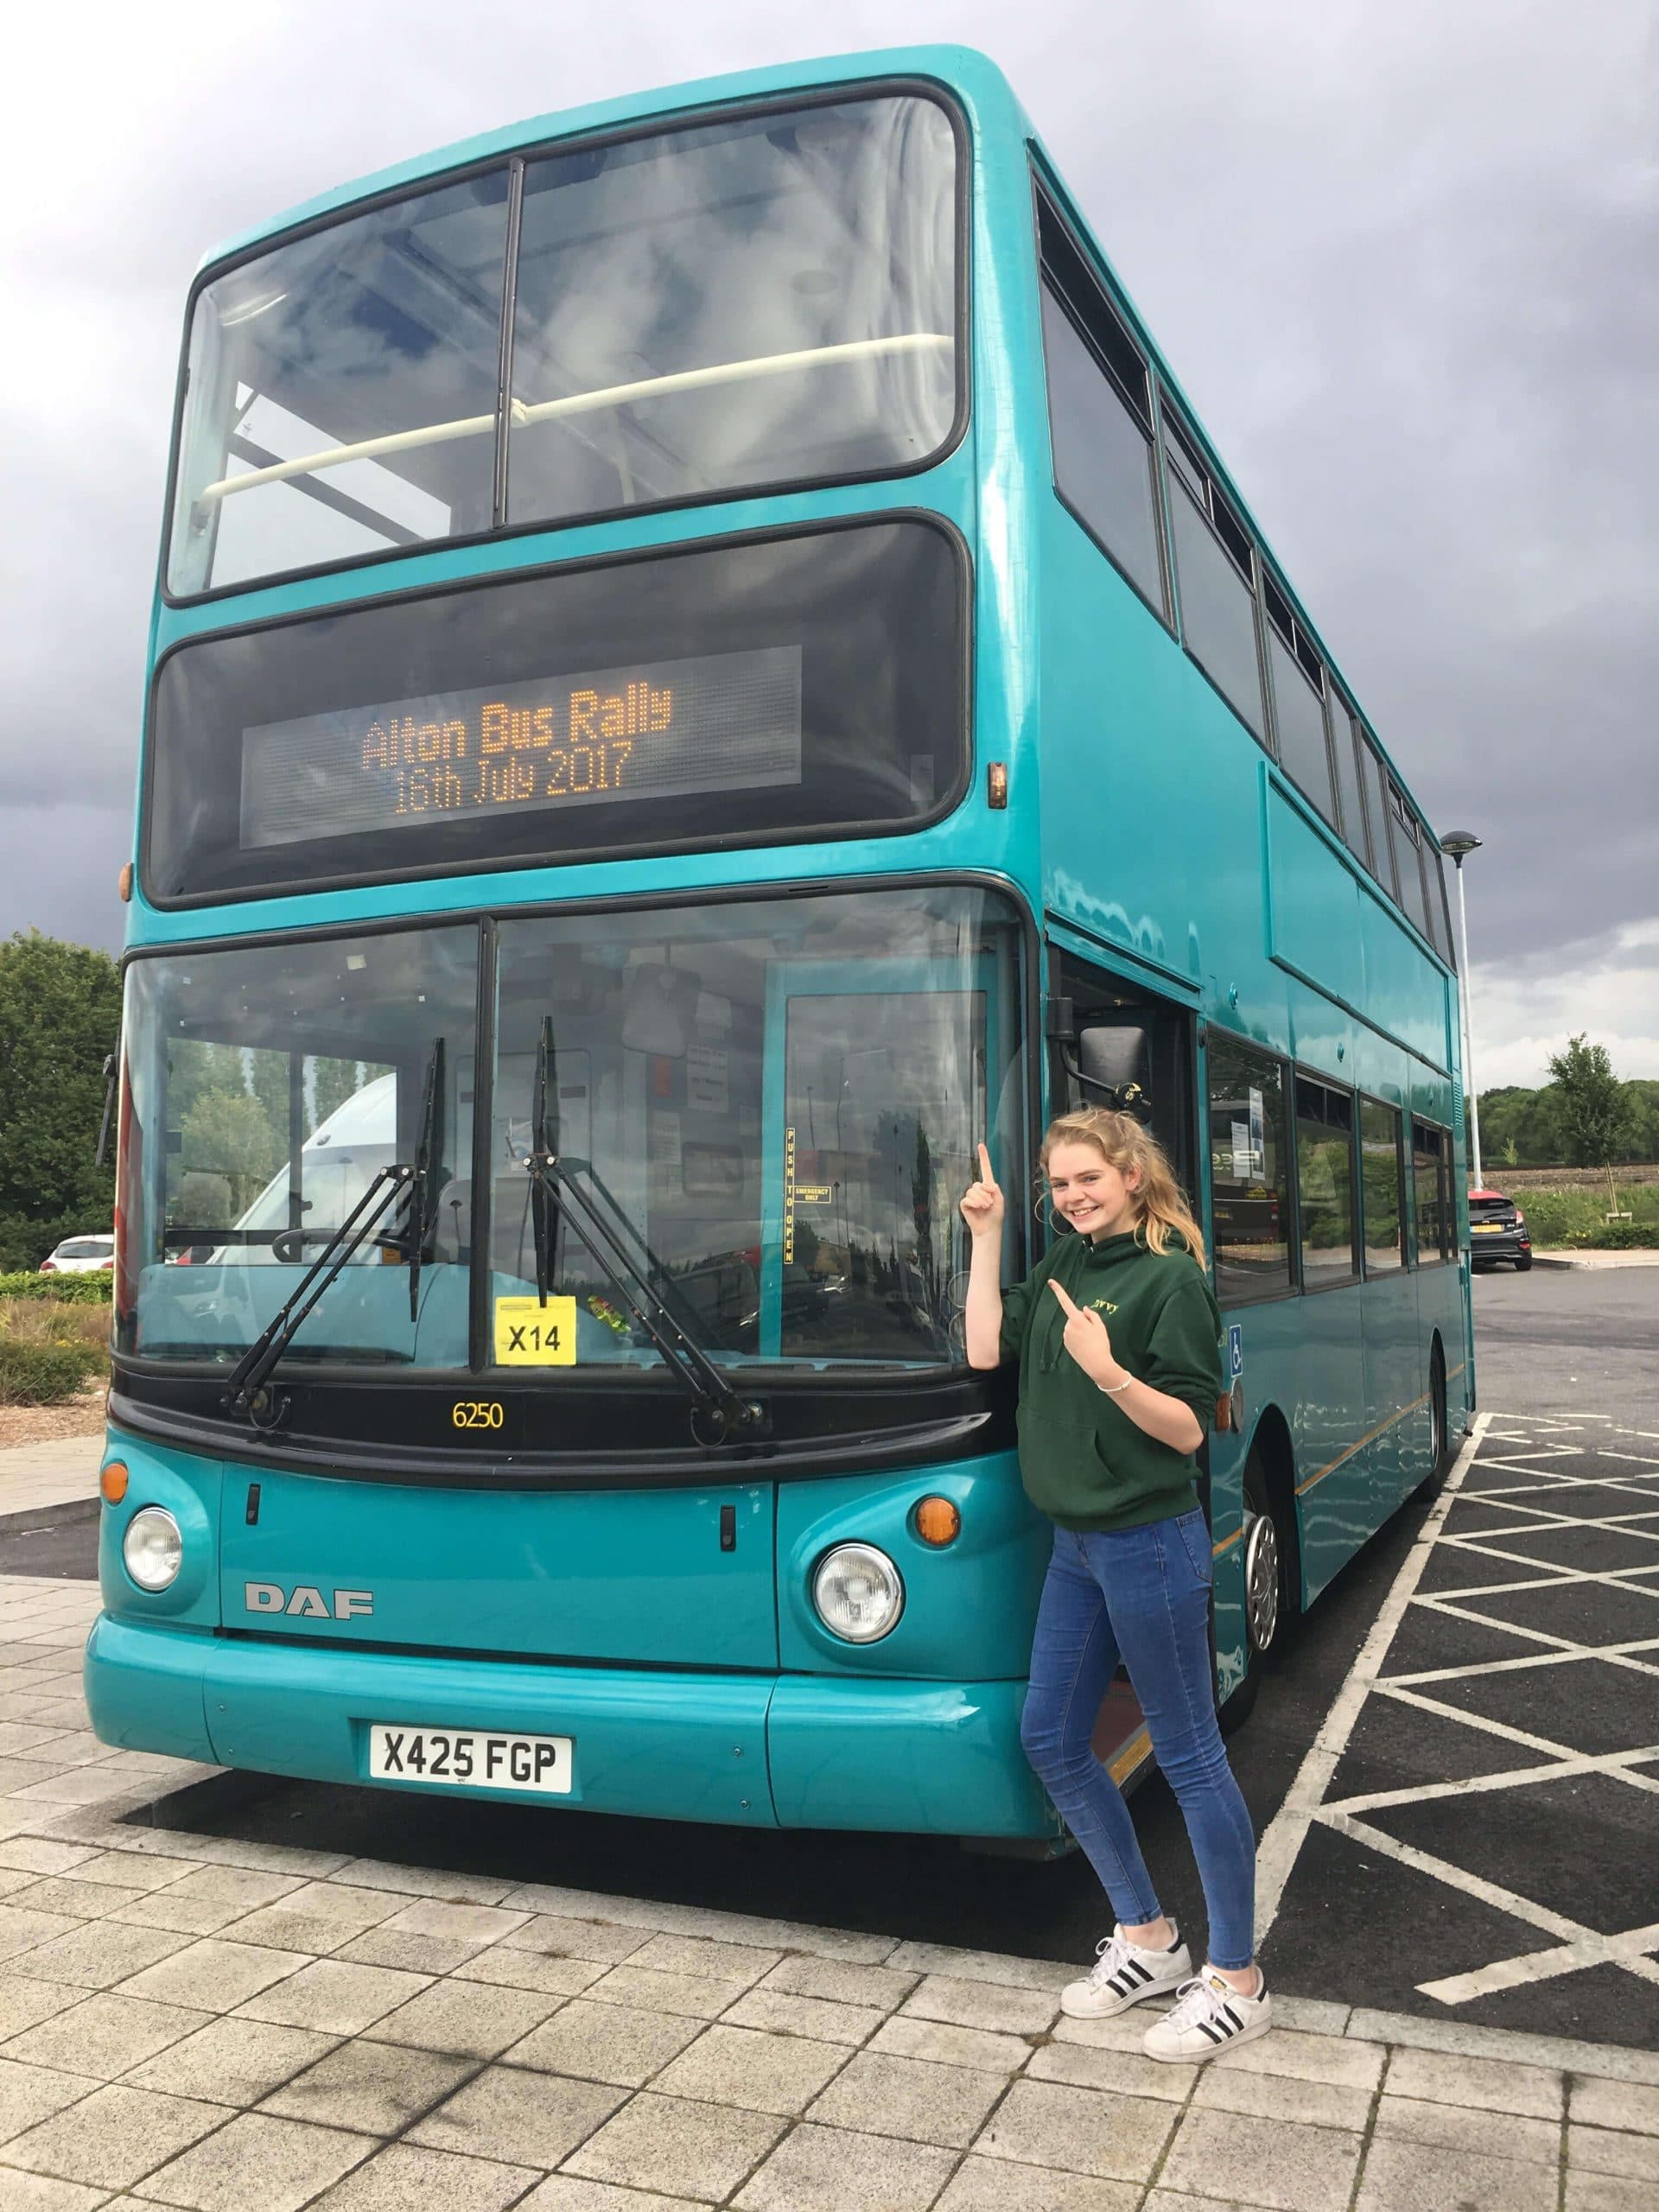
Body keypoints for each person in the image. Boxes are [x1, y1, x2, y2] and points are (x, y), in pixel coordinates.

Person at [961, 1108, 1270, 2061]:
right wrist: (985, 1236)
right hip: (1078, 1546)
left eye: (1087, 1177)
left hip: (1150, 1540)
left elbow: (1188, 1429)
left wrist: (1106, 1372)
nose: (1072, 1195)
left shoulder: (1170, 1279)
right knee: (1050, 1736)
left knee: (1188, 1755)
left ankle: (1239, 1978)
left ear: (1133, 1175)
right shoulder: (1063, 1267)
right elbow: (984, 1349)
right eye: (1058, 1183)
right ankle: (1148, 1938)